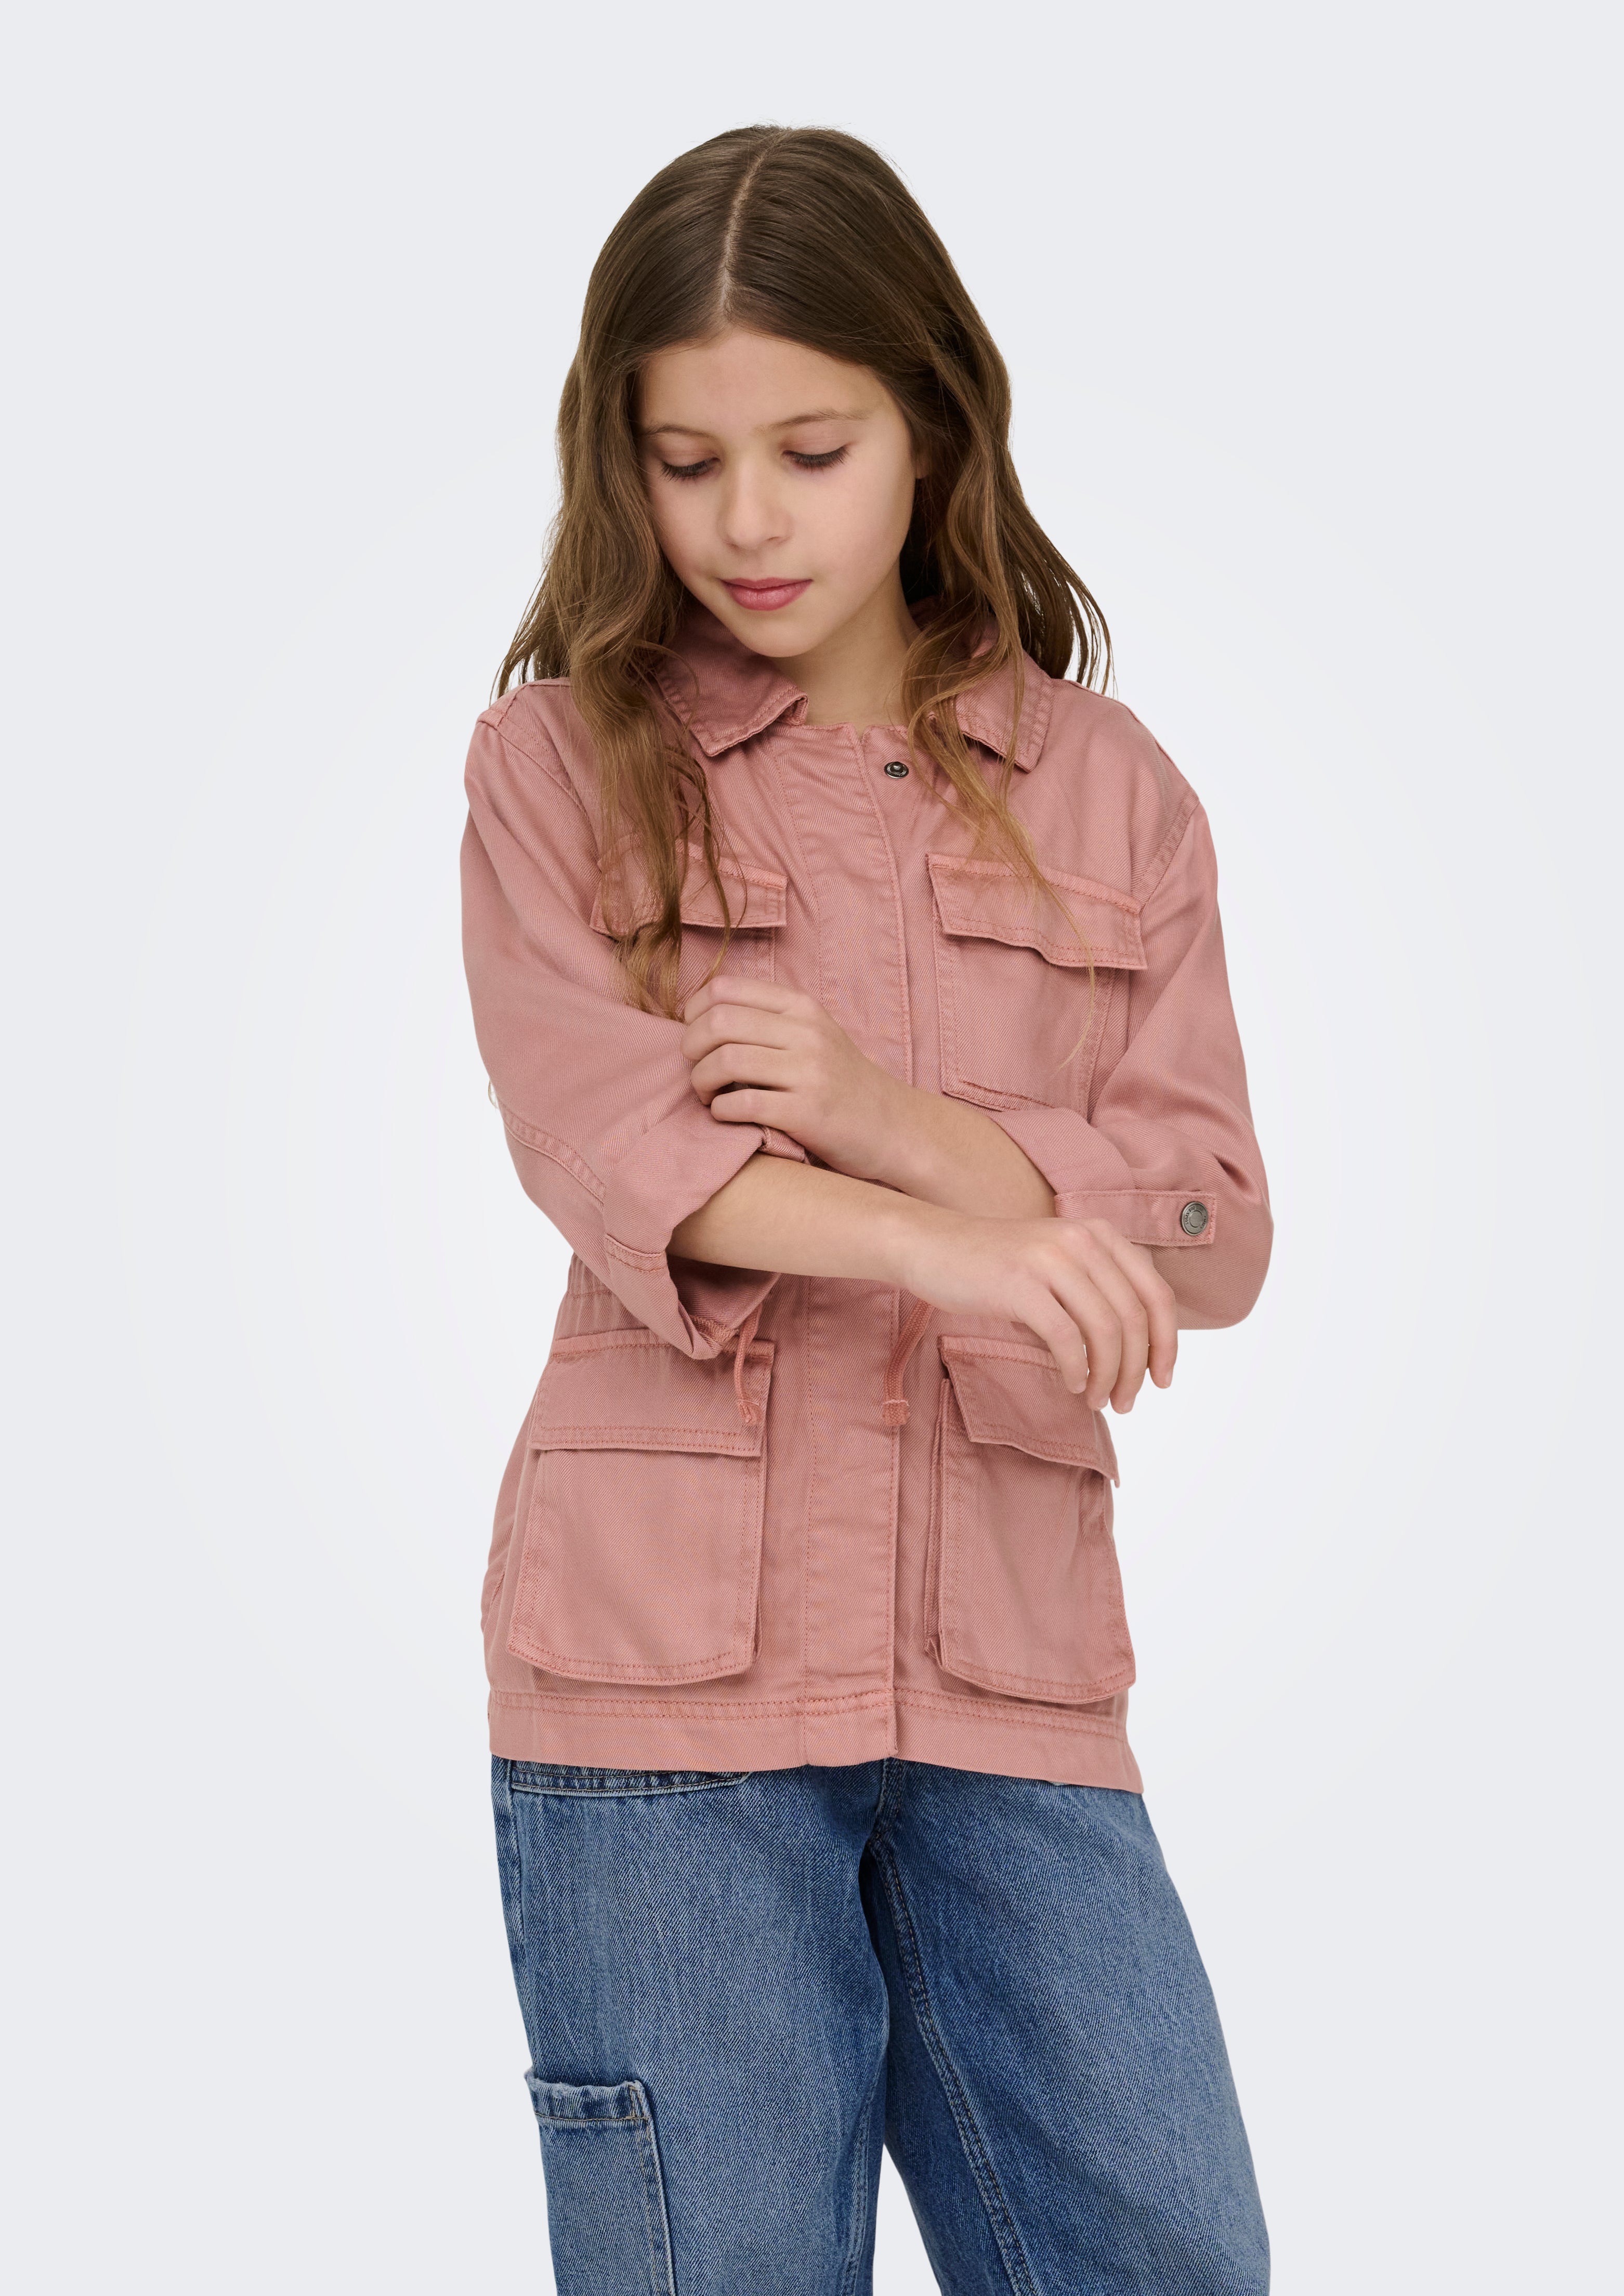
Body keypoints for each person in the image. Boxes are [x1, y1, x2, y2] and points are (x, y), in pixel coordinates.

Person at [461, 124, 1273, 2296]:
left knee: (1167, 2254)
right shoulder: (556, 766)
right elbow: (607, 1142)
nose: (748, 520)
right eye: (686, 460)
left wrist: (902, 1125)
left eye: (810, 452)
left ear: (932, 426)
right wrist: (964, 1245)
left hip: (1009, 1671)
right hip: (661, 1680)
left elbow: (1215, 1232)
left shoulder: (1113, 791)